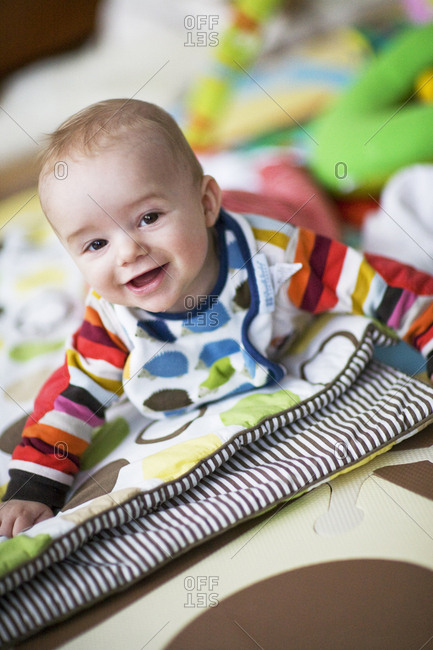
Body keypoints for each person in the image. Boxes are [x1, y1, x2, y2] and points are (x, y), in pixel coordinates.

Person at [1, 98, 432, 538]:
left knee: (311, 207)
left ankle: (279, 169)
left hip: (270, 212)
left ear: (207, 204)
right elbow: (71, 396)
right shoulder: (112, 320)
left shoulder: (277, 257)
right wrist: (34, 483)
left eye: (148, 218)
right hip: (199, 230)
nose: (129, 250)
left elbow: (375, 282)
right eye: (95, 244)